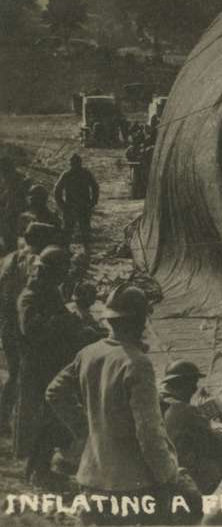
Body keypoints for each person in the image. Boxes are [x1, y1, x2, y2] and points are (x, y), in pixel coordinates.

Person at [46, 286, 197, 525]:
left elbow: (55, 393)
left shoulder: (89, 353)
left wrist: (86, 431)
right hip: (130, 485)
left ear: (109, 320)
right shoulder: (137, 363)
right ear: (140, 321)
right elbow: (149, 432)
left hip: (91, 476)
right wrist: (169, 475)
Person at [14, 245, 84, 485]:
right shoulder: (29, 298)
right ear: (49, 272)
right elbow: (33, 330)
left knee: (51, 420)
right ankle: (36, 472)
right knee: (39, 421)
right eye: (61, 271)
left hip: (51, 365)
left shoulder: (49, 292)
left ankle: (40, 469)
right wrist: (64, 322)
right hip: (37, 369)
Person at [0, 222, 60, 435]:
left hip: (9, 322)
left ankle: (5, 417)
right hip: (24, 324)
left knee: (15, 373)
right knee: (27, 376)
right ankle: (22, 426)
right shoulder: (36, 262)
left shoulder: (10, 259)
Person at [159, 360, 222, 493]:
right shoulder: (186, 411)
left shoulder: (155, 404)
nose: (194, 389)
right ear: (185, 384)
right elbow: (215, 445)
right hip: (186, 475)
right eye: (193, 383)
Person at [54, 154, 99, 245]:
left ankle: (86, 249)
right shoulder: (67, 174)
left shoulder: (85, 173)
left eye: (76, 163)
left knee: (84, 230)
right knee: (68, 231)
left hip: (82, 206)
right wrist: (62, 205)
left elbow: (95, 187)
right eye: (73, 164)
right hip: (72, 207)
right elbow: (57, 191)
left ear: (80, 163)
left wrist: (93, 201)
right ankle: (67, 249)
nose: (75, 166)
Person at [0, 157, 29, 254]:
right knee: (8, 232)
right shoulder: (13, 177)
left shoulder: (14, 178)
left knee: (10, 233)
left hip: (13, 210)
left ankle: (10, 252)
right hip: (10, 209)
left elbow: (13, 196)